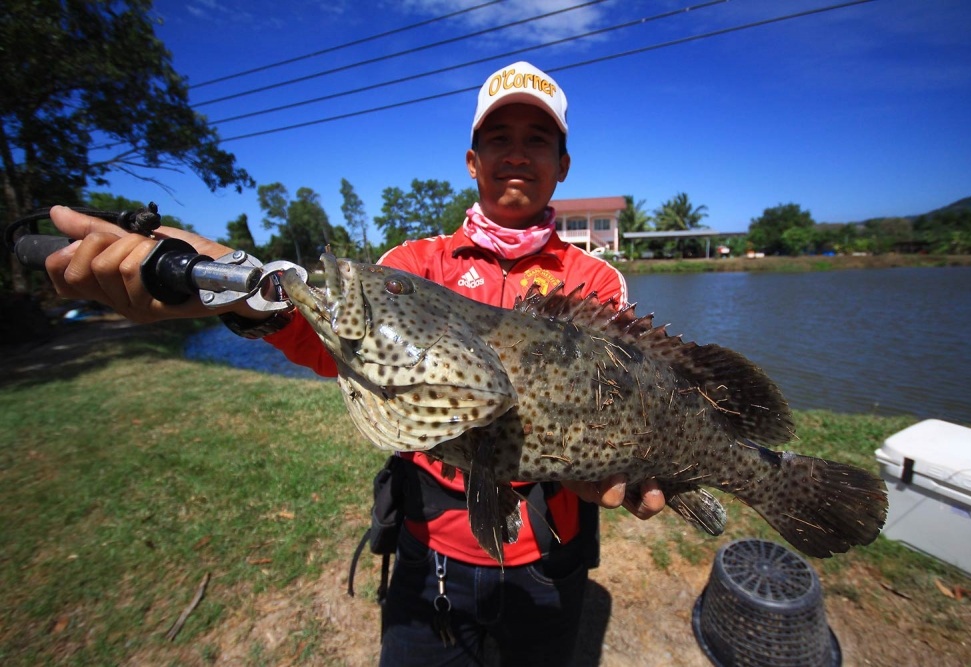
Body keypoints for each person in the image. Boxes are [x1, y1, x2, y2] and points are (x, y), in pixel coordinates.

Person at [43, 61, 666, 666]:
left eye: (538, 139)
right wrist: (244, 294)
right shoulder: (412, 268)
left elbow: (618, 404)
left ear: (563, 164)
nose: (517, 153)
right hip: (431, 550)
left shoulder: (595, 282)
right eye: (498, 138)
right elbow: (337, 344)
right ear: (473, 161)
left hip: (549, 558)